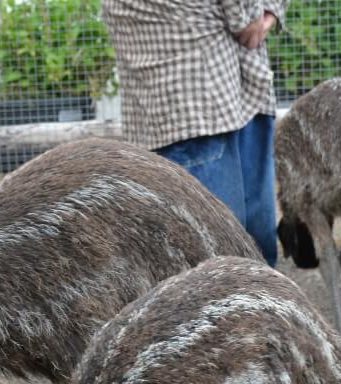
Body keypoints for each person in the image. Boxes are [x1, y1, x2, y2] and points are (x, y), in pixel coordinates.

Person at [102, 1, 286, 267]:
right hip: (192, 105)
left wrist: (267, 12)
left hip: (239, 91)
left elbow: (250, 21)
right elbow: (244, 20)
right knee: (217, 257)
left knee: (243, 250)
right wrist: (257, 14)